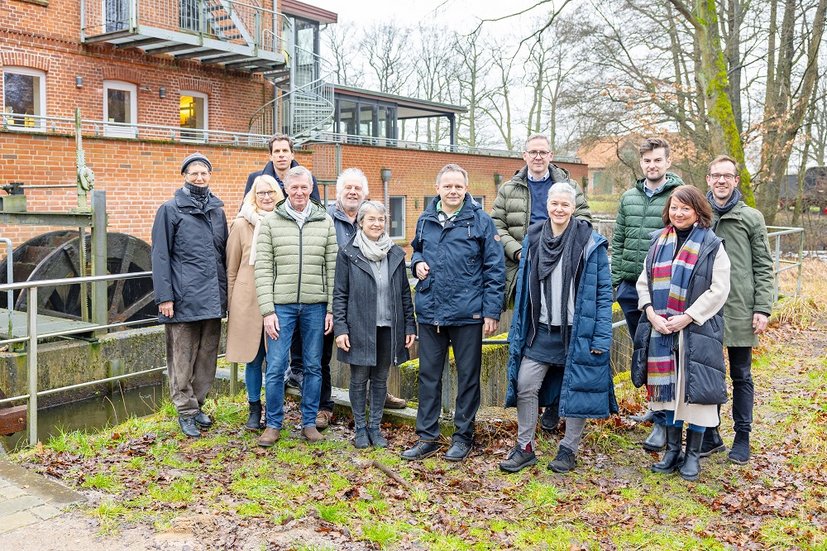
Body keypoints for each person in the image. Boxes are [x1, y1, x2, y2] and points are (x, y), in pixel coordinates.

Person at [499, 182, 616, 474]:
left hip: (577, 331)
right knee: (525, 384)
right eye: (555, 204)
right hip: (540, 330)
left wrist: (601, 337)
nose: (559, 209)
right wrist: (518, 330)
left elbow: (603, 294)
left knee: (578, 389)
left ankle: (568, 449)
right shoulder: (533, 238)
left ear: (573, 208)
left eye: (565, 204)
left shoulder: (590, 242)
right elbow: (524, 290)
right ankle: (525, 447)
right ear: (547, 206)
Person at [401, 164, 505, 462]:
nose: (453, 191)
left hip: (467, 314)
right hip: (431, 311)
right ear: (438, 188)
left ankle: (462, 437)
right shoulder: (425, 219)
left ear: (466, 188)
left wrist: (491, 311)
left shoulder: (481, 221)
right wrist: (416, 263)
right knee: (428, 376)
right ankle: (427, 437)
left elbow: (494, 269)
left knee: (468, 378)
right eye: (447, 186)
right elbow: (417, 250)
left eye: (458, 186)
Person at [491, 132, 591, 433]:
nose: (537, 157)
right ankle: (534, 406)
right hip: (524, 271)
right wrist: (519, 251)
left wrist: (562, 248)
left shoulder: (568, 185)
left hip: (563, 270)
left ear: (551, 156)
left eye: (543, 152)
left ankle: (555, 404)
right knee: (532, 338)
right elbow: (496, 225)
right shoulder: (509, 188)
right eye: (532, 152)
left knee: (562, 336)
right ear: (524, 155)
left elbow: (585, 220)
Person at [632, 185, 731, 481]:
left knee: (696, 394)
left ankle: (693, 456)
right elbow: (644, 282)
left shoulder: (712, 245)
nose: (678, 213)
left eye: (685, 208)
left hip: (697, 332)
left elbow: (719, 289)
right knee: (669, 396)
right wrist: (651, 313)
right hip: (661, 331)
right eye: (674, 207)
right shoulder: (658, 241)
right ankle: (672, 451)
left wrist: (687, 317)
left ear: (698, 211)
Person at [254, 166, 337, 446]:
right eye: (294, 187)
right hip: (281, 307)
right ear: (286, 189)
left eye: (304, 187)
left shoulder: (324, 221)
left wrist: (331, 308)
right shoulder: (271, 222)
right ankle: (273, 424)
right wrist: (267, 311)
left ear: (311, 188)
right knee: (276, 366)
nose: (299, 192)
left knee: (313, 365)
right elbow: (263, 268)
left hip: (315, 306)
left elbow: (332, 267)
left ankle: (309, 423)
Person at [702, 155, 773, 464]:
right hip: (706, 307)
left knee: (741, 374)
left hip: (740, 307)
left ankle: (742, 436)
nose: (721, 181)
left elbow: (764, 266)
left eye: (727, 176)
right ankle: (711, 433)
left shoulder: (751, 218)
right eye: (716, 175)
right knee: (708, 373)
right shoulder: (699, 215)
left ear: (735, 180)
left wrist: (763, 308)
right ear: (708, 179)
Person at [613, 138, 682, 453]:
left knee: (661, 355)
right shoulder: (629, 197)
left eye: (657, 160)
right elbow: (619, 240)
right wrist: (616, 283)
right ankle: (655, 407)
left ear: (667, 162)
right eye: (647, 161)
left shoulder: (678, 197)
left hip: (662, 289)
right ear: (640, 163)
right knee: (642, 352)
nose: (652, 165)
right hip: (631, 288)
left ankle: (664, 423)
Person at [151, 152, 228, 438]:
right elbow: (160, 255)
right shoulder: (170, 210)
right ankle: (185, 410)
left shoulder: (217, 211)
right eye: (194, 173)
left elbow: (223, 254)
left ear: (210, 176)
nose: (199, 177)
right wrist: (165, 297)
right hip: (183, 298)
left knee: (207, 356)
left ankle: (198, 405)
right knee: (182, 358)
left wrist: (226, 296)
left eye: (204, 173)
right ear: (184, 175)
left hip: (212, 298)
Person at [333, 201, 417, 449]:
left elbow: (404, 293)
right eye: (371, 219)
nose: (377, 224)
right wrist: (341, 328)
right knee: (359, 378)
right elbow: (340, 294)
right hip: (359, 326)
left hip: (388, 326)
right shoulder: (348, 253)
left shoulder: (395, 253)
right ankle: (360, 428)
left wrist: (409, 326)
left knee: (381, 378)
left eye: (381, 219)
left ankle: (375, 427)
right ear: (361, 222)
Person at [244, 133, 321, 391]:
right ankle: (264, 397)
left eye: (285, 150)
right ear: (270, 155)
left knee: (302, 330)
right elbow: (247, 207)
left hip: (298, 262)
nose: (281, 155)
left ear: (292, 153)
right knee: (272, 339)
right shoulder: (256, 179)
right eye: (276, 151)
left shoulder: (306, 179)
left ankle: (296, 370)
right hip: (270, 261)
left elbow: (315, 211)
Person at [225, 175, 284, 431]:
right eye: (261, 193)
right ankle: (253, 408)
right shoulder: (241, 224)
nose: (267, 197)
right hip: (247, 301)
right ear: (253, 196)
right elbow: (231, 269)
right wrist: (231, 305)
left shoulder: (286, 222)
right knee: (252, 357)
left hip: (279, 300)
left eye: (271, 192)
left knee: (277, 360)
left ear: (278, 194)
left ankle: (274, 411)